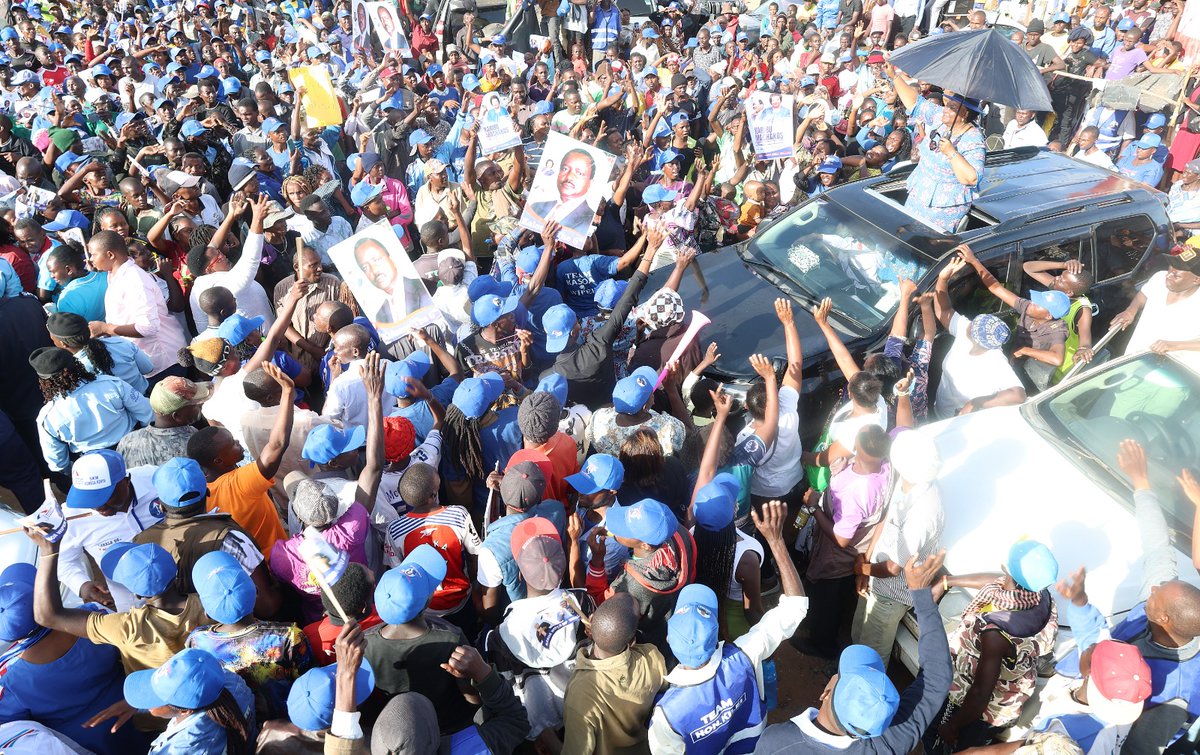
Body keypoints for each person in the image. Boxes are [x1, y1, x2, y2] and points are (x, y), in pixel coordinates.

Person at [650, 500, 808, 753]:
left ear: (669, 640)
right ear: (717, 636)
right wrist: (777, 542)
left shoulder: (666, 713)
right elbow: (795, 607)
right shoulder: (744, 655)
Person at [928, 540, 1060, 751]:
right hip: (1009, 699)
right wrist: (948, 581)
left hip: (973, 710)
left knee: (942, 745)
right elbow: (999, 582)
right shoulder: (1041, 597)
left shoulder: (997, 633)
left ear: (1006, 567)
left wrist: (952, 726)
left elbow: (980, 693)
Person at [562, 592, 667, 754]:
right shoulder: (652, 657)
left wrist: (548, 737)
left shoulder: (580, 693)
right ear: (632, 641)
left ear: (590, 622)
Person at [888, 64, 985, 233]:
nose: (946, 110)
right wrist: (894, 76)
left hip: (943, 207)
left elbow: (972, 179)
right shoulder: (940, 117)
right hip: (919, 193)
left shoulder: (973, 140)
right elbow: (915, 103)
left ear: (965, 114)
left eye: (953, 108)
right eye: (948, 104)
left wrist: (952, 153)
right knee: (906, 237)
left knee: (927, 244)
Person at [30, 345, 153, 476]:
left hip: (97, 468)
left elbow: (57, 462)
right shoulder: (110, 384)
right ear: (77, 364)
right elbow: (147, 413)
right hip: (137, 448)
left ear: (44, 382)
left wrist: (73, 471)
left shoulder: (48, 417)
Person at [931, 256, 1026, 417]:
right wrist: (943, 280)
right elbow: (944, 311)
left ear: (978, 339)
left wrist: (976, 403)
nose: (970, 323)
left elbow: (1019, 395)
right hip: (938, 410)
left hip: (957, 423)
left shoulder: (995, 361)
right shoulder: (965, 331)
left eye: (975, 325)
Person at [1112, 246, 1200, 354]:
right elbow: (1142, 295)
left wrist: (1175, 345)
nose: (1168, 275)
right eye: (1170, 268)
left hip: (1170, 363)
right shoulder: (1159, 278)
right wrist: (1131, 310)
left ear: (1196, 280)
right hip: (1133, 354)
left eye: (1176, 275)